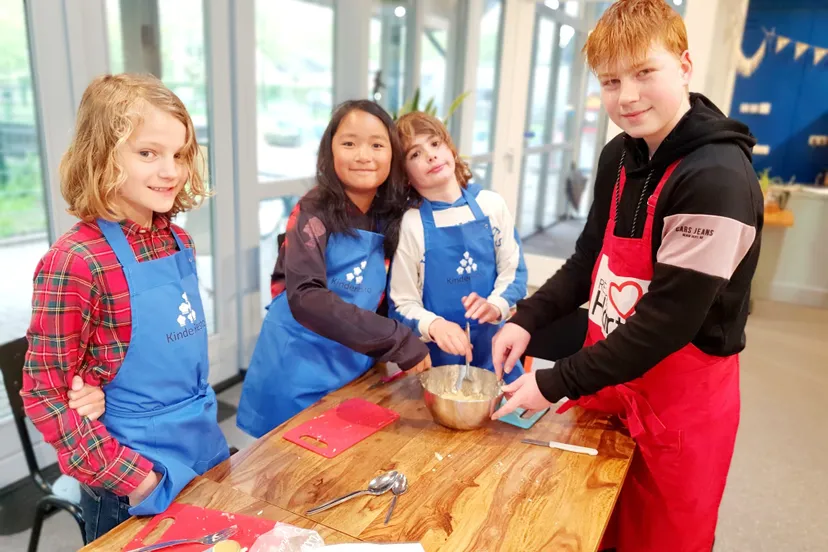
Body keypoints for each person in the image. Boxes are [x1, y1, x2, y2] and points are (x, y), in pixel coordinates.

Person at [492, 1, 763, 550]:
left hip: (680, 403)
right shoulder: (620, 154)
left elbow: (667, 323)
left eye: (645, 73)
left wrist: (554, 381)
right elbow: (589, 258)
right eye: (611, 81)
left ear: (684, 66)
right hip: (610, 378)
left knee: (659, 537)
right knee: (587, 523)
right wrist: (528, 317)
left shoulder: (717, 180)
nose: (628, 96)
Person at [21, 74, 230, 541]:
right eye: (148, 153)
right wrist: (138, 481)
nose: (170, 171)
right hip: (132, 478)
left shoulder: (179, 241)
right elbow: (46, 396)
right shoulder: (75, 262)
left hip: (201, 447)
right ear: (102, 156)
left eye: (178, 154)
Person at [237, 100, 431, 438]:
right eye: (349, 143)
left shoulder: (393, 212)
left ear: (393, 155)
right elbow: (307, 297)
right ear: (330, 150)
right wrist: (397, 340)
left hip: (353, 362)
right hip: (297, 364)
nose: (363, 155)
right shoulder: (312, 211)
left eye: (376, 144)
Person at [389, 111, 527, 383]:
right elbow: (401, 304)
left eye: (435, 144)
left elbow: (515, 272)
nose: (430, 155)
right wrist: (435, 325)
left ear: (450, 148)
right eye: (415, 154)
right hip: (437, 366)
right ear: (404, 175)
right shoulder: (411, 224)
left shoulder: (491, 205)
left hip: (497, 355)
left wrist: (496, 305)